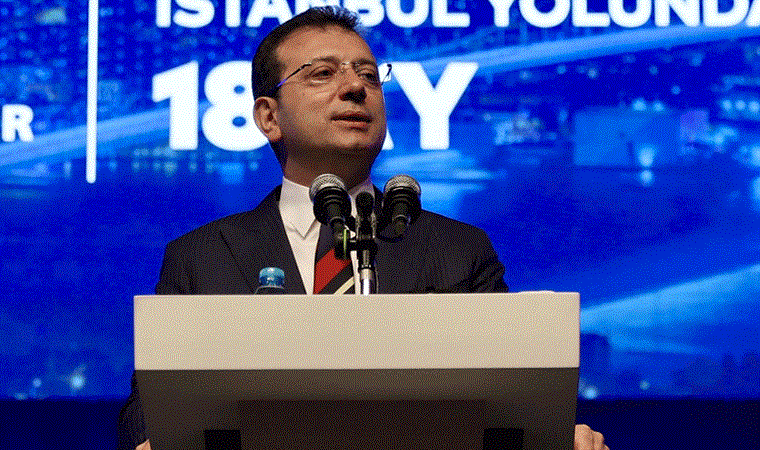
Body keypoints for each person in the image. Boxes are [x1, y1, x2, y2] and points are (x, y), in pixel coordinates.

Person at [118, 7, 608, 450]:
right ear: (269, 117)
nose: (355, 87)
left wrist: (554, 439)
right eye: (323, 73)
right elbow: (145, 417)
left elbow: (510, 406)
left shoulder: (458, 250)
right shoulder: (201, 257)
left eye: (369, 75)